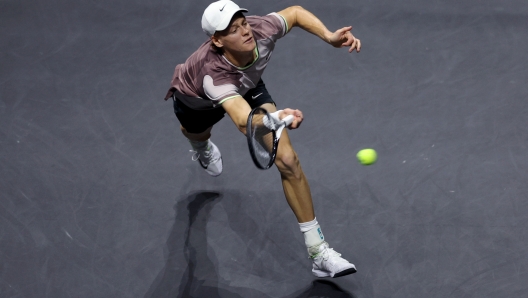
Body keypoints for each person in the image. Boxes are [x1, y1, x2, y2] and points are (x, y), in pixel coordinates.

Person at [164, 0, 361, 278]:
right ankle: (200, 145)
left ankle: (318, 252)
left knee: (288, 160)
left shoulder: (260, 29)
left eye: (243, 23)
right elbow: (246, 123)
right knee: (197, 131)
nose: (245, 31)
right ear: (217, 41)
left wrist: (329, 37)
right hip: (196, 100)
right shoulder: (213, 76)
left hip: (248, 84)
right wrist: (278, 117)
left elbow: (294, 13)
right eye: (233, 30)